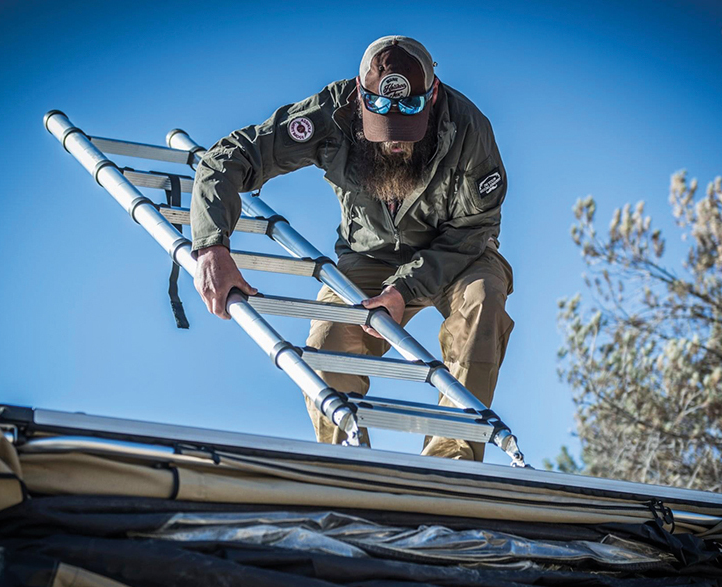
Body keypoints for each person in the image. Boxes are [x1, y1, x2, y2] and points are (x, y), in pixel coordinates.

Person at [191, 35, 514, 462]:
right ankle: (348, 458)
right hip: (370, 254)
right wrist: (212, 246)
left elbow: (475, 227)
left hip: (457, 252)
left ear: (432, 95)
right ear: (360, 98)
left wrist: (404, 289)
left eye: (407, 128)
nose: (395, 142)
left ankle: (451, 460)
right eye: (383, 128)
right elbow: (229, 157)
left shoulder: (469, 129)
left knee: (482, 300)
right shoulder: (331, 114)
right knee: (326, 343)